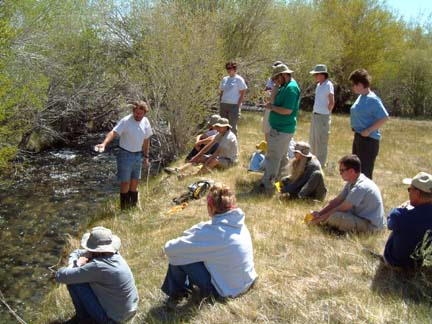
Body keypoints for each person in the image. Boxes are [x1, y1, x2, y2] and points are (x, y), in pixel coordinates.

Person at [161, 183, 257, 306]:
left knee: (178, 255)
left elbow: (169, 248)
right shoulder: (238, 223)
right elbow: (207, 227)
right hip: (247, 282)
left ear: (210, 207)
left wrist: (187, 237)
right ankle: (180, 291)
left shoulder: (211, 234)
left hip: (227, 292)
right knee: (188, 252)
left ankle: (177, 294)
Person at [55, 227, 139, 323]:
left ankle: (83, 319)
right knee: (80, 277)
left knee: (75, 283)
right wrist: (84, 255)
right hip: (130, 311)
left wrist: (76, 264)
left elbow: (61, 276)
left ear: (96, 250)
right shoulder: (115, 255)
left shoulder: (98, 266)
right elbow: (78, 252)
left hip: (112, 320)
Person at [96, 101, 153, 210]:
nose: (138, 115)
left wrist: (146, 157)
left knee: (135, 181)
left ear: (144, 113)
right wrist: (104, 143)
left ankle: (133, 207)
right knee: (125, 182)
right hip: (125, 154)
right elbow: (113, 132)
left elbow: (146, 140)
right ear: (133, 111)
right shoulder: (126, 121)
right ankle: (124, 208)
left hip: (137, 155)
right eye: (136, 113)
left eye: (141, 114)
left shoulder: (145, 121)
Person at [310, 154, 385, 233]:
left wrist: (320, 219)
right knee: (334, 214)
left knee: (335, 216)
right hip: (360, 218)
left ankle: (324, 225)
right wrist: (319, 213)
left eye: (342, 170)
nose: (340, 173)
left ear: (352, 171)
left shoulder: (360, 187)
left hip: (371, 226)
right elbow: (337, 201)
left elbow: (342, 207)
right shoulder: (352, 182)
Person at [259, 63, 301, 194]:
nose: (275, 82)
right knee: (282, 158)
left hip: (282, 129)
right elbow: (274, 101)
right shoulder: (284, 86)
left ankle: (268, 186)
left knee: (273, 157)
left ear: (283, 75)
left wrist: (272, 108)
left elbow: (288, 110)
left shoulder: (291, 89)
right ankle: (282, 183)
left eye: (277, 79)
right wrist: (275, 90)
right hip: (278, 128)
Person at [383, 172, 432, 268]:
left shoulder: (401, 215)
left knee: (396, 226)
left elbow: (389, 224)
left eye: (410, 189)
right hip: (426, 265)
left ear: (417, 193)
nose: (409, 192)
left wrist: (400, 208)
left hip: (399, 264)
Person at [349, 68, 389, 179]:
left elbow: (384, 117)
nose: (353, 87)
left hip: (368, 141)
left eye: (354, 84)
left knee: (364, 172)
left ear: (361, 84)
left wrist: (368, 130)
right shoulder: (361, 97)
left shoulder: (373, 99)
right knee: (355, 169)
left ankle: (365, 195)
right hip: (358, 137)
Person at [164, 118, 238, 176]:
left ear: (226, 127)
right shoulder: (221, 134)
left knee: (214, 160)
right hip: (220, 158)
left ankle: (192, 175)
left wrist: (207, 162)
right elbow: (209, 144)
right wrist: (197, 156)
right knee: (201, 157)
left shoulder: (228, 138)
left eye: (220, 126)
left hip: (230, 161)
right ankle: (178, 170)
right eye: (217, 126)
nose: (217, 128)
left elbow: (216, 153)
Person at [309, 64, 335, 168]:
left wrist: (326, 114)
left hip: (323, 117)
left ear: (323, 74)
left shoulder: (328, 85)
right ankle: (312, 163)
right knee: (313, 141)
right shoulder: (319, 85)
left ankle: (320, 165)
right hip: (315, 115)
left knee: (321, 142)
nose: (315, 76)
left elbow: (331, 101)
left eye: (316, 74)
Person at [219, 61, 247, 136]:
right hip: (224, 105)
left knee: (232, 127)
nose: (228, 70)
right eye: (227, 68)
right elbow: (221, 92)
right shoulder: (224, 79)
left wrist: (238, 106)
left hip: (234, 106)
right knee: (222, 125)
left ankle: (233, 144)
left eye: (230, 68)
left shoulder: (239, 79)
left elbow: (242, 93)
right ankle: (222, 143)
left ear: (234, 69)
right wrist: (221, 102)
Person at [263, 61, 284, 142]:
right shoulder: (271, 80)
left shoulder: (284, 82)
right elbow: (266, 90)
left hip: (277, 107)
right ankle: (267, 146)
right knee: (266, 127)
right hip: (269, 105)